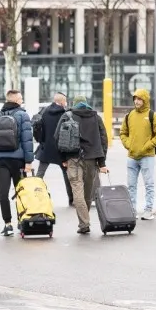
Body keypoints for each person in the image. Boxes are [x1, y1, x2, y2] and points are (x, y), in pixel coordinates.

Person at [0, 89, 35, 236]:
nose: (22, 101)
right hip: (18, 161)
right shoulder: (22, 115)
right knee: (21, 192)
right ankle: (21, 220)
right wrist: (29, 161)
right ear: (17, 100)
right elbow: (27, 140)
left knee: (3, 193)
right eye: (21, 99)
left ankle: (7, 224)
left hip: (1, 160)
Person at [120, 88, 156, 220]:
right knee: (131, 186)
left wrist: (147, 146)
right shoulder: (129, 116)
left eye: (139, 99)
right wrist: (129, 145)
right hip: (132, 157)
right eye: (135, 98)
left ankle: (148, 210)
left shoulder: (153, 116)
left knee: (149, 185)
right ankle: (132, 210)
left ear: (145, 100)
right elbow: (123, 133)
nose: (137, 101)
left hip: (147, 157)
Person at [65, 99, 109, 234]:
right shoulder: (96, 117)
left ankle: (84, 223)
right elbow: (103, 140)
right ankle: (84, 221)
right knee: (88, 192)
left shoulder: (68, 116)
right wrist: (102, 162)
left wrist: (63, 158)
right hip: (91, 158)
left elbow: (59, 138)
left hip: (73, 158)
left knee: (77, 190)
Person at [33, 92, 74, 207]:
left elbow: (37, 128)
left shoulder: (43, 111)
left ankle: (34, 196)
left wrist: (41, 141)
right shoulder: (66, 114)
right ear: (62, 102)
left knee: (39, 174)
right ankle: (71, 199)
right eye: (65, 101)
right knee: (67, 175)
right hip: (61, 150)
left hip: (45, 148)